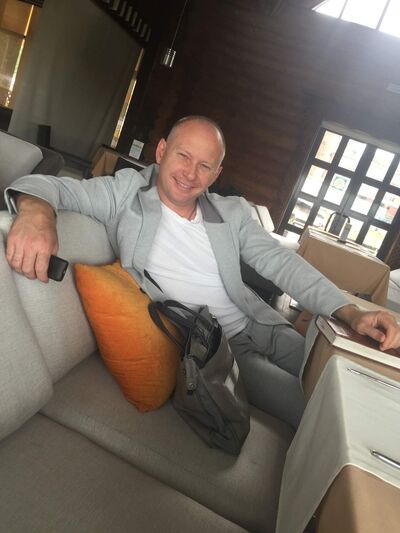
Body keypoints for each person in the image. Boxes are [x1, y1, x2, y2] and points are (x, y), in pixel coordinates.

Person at [5, 115, 400, 429]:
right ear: (162, 150)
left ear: (216, 174)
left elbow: (281, 263)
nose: (190, 173)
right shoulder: (126, 193)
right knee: (322, 409)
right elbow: (53, 186)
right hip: (222, 347)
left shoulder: (230, 213)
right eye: (183, 156)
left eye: (204, 165)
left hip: (263, 323)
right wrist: (37, 213)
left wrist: (350, 311)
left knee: (353, 378)